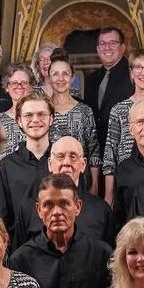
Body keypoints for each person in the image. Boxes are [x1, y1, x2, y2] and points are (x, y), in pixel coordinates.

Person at [14, 136, 114, 249]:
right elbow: (19, 259)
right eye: (60, 156)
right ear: (49, 164)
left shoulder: (101, 210)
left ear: (83, 164)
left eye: (73, 156)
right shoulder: (28, 209)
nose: (67, 162)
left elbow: (111, 261)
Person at [102, 48, 144, 205]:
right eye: (137, 67)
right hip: (128, 182)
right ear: (131, 73)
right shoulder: (119, 109)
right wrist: (109, 196)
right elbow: (110, 156)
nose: (143, 72)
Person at [0, 92, 54, 238]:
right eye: (28, 115)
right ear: (19, 121)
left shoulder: (64, 162)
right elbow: (1, 216)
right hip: (20, 249)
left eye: (41, 114)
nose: (35, 120)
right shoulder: (6, 166)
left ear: (51, 119)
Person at [48, 54, 101, 192]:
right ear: (49, 78)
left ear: (72, 78)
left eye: (65, 74)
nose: (61, 78)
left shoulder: (85, 111)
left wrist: (94, 184)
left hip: (81, 180)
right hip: (49, 180)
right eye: (55, 74)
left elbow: (93, 150)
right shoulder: (43, 110)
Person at [84, 27, 134, 162]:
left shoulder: (134, 76)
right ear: (97, 49)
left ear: (123, 47)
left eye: (112, 43)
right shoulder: (91, 79)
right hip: (95, 154)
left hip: (125, 153)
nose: (107, 48)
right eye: (103, 43)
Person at [0, 63, 34, 155]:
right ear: (6, 87)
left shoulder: (41, 118)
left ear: (31, 86)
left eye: (24, 83)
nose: (19, 86)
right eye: (14, 83)